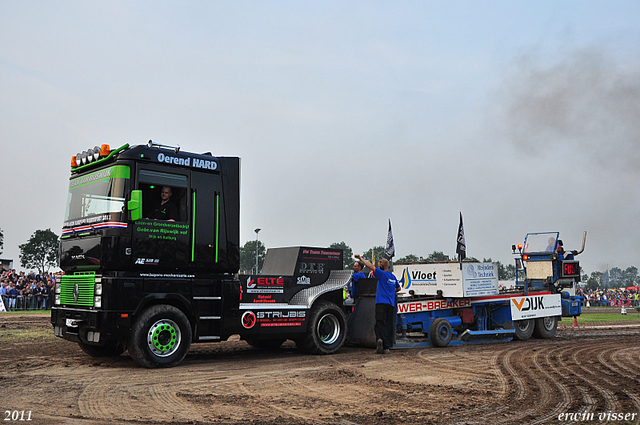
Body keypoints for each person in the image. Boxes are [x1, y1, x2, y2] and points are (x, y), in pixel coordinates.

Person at [354, 254, 400, 354]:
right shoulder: (392, 276)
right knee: (382, 325)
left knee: (380, 324)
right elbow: (399, 288)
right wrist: (391, 292)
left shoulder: (382, 274)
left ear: (382, 266)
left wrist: (361, 258)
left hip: (381, 303)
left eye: (379, 266)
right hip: (390, 304)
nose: (378, 267)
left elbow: (370, 266)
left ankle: (384, 345)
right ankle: (381, 341)